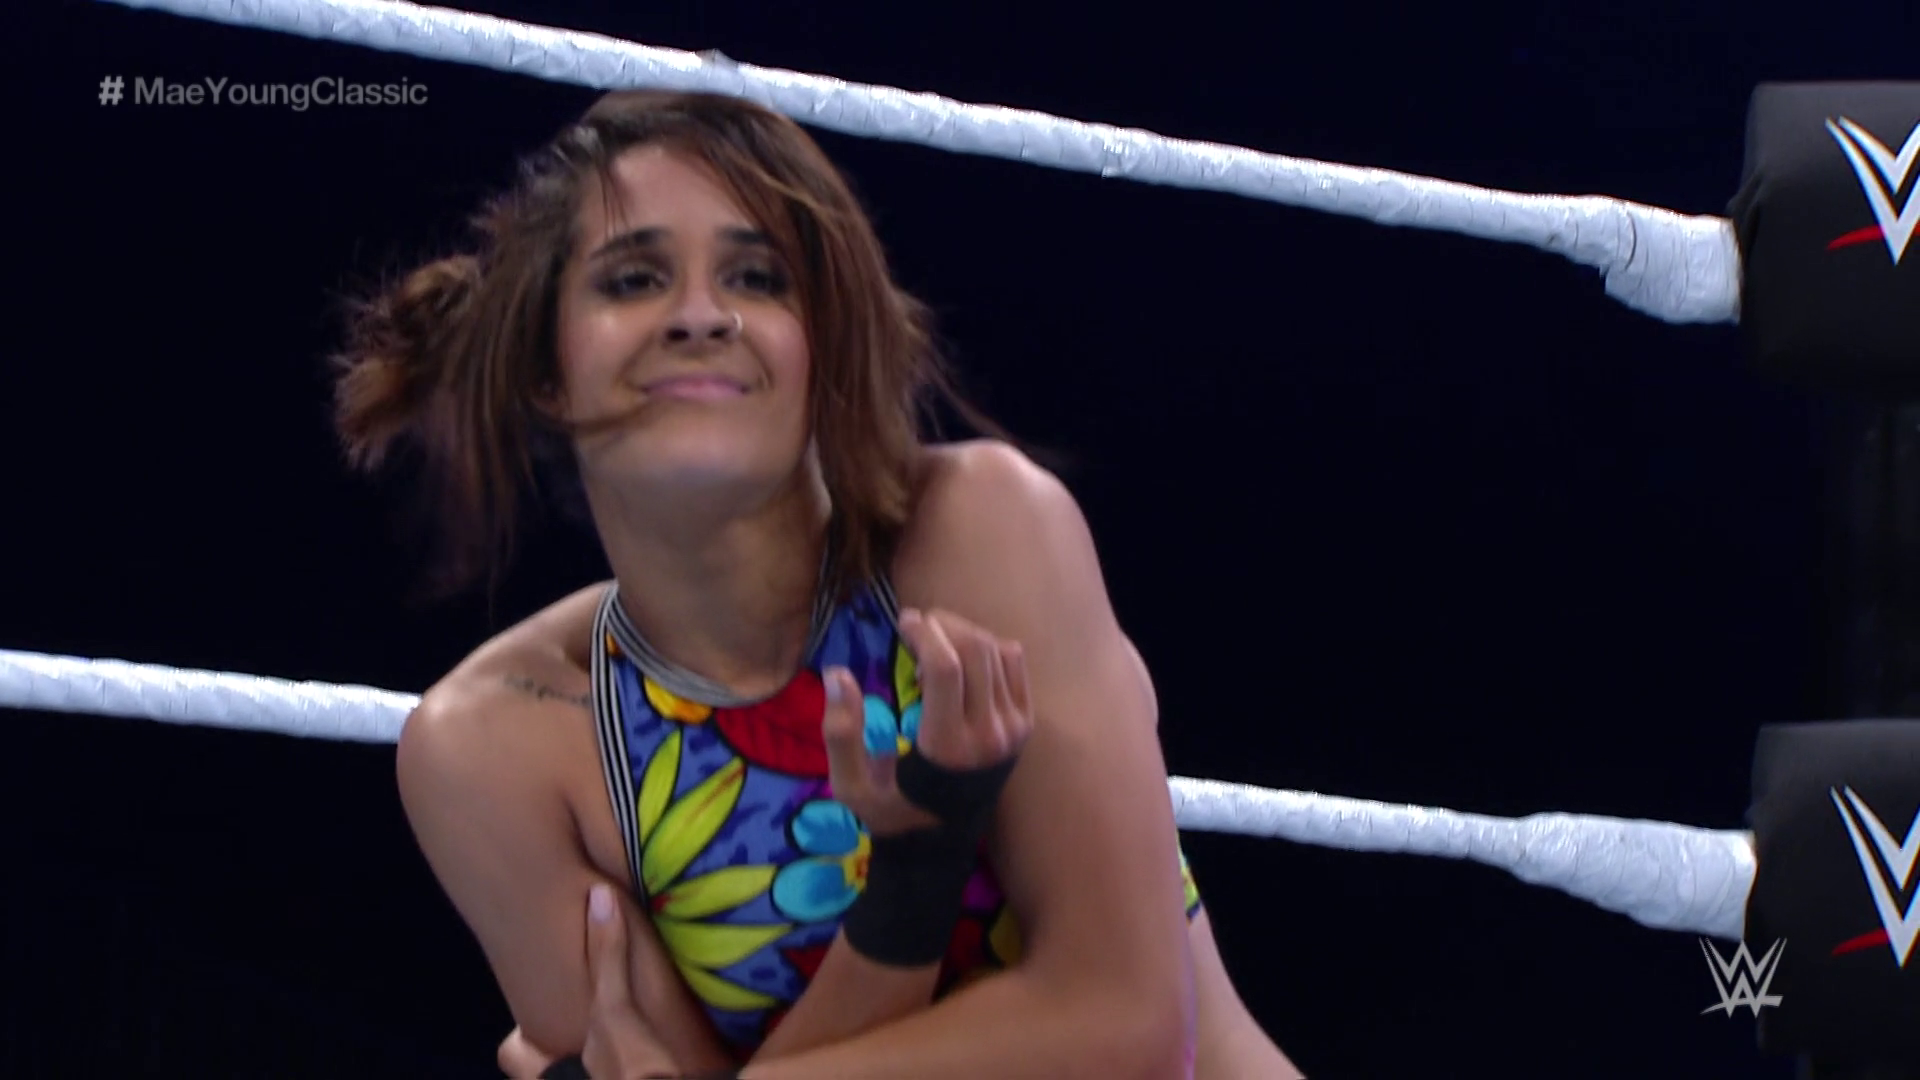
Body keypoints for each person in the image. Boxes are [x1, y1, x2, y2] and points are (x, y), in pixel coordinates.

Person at [333, 88, 1302, 1078]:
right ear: (546, 363)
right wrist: (913, 878)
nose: (700, 316)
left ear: (825, 342)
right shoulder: (496, 746)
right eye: (634, 279)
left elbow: (1131, 1030)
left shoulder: (978, 530)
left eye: (757, 278)